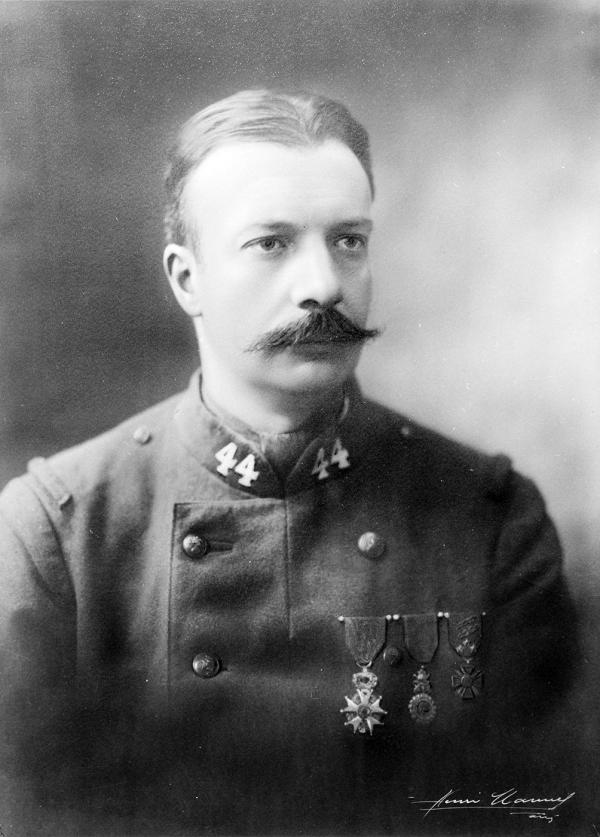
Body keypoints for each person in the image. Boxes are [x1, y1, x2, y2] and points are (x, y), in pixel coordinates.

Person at [0, 89, 579, 836]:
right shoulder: (58, 530)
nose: (325, 285)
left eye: (349, 240)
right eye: (271, 242)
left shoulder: (490, 516)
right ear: (187, 279)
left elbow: (542, 810)